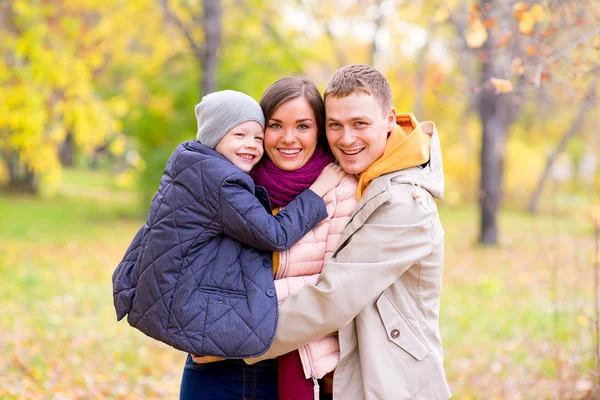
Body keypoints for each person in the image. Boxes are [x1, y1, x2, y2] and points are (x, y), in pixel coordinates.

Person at [112, 90, 345, 399]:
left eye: (256, 136)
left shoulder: (197, 166)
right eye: (240, 134)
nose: (251, 144)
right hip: (213, 353)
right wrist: (316, 193)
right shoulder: (225, 182)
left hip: (286, 360)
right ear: (214, 135)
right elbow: (274, 235)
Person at [243, 64, 452, 399]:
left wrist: (233, 340)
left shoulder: (404, 203)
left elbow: (332, 299)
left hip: (391, 383)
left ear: (389, 120)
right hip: (342, 377)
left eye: (360, 124)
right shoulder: (354, 181)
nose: (347, 138)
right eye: (335, 126)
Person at [183, 77, 358, 400]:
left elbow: (334, 290)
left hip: (296, 365)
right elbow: (195, 265)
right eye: (276, 125)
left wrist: (236, 321)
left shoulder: (341, 191)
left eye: (303, 126)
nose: (288, 138)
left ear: (319, 131)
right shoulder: (236, 182)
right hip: (213, 365)